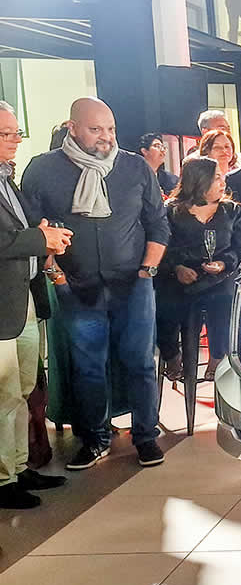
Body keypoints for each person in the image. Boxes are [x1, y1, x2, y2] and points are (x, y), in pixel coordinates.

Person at [20, 97, 169, 469]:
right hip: (76, 285)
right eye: (96, 129)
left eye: (111, 129)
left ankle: (146, 437)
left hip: (134, 284)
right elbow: (36, 230)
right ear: (72, 128)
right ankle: (95, 439)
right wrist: (56, 275)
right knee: (88, 367)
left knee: (140, 363)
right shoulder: (43, 169)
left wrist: (147, 271)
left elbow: (158, 224)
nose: (106, 137)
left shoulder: (135, 167)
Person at [0, 101, 72, 508]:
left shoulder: (8, 178)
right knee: (3, 393)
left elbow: (20, 230)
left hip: (25, 294)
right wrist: (38, 239)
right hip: (2, 303)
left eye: (16, 132)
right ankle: (3, 479)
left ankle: (19, 466)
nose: (15, 140)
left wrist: (42, 233)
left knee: (23, 389)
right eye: (6, 133)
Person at [155, 158, 241, 382]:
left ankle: (218, 357)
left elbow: (240, 247)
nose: (223, 183)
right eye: (216, 178)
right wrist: (177, 267)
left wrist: (223, 264)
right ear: (199, 180)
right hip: (179, 276)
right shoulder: (171, 211)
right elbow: (162, 247)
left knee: (225, 298)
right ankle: (172, 355)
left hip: (219, 275)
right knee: (164, 303)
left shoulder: (230, 210)